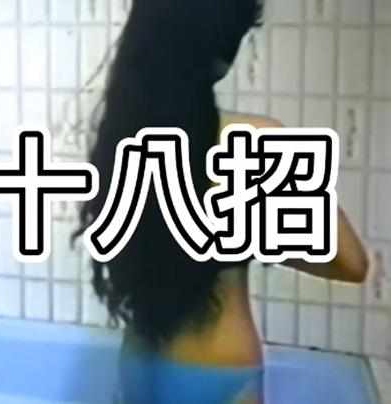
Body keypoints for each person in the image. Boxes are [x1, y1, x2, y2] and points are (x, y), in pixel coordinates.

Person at [76, 1, 369, 403]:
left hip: (140, 365)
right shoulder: (252, 141)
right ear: (222, 48)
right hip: (219, 368)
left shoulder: (123, 138)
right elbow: (350, 261)